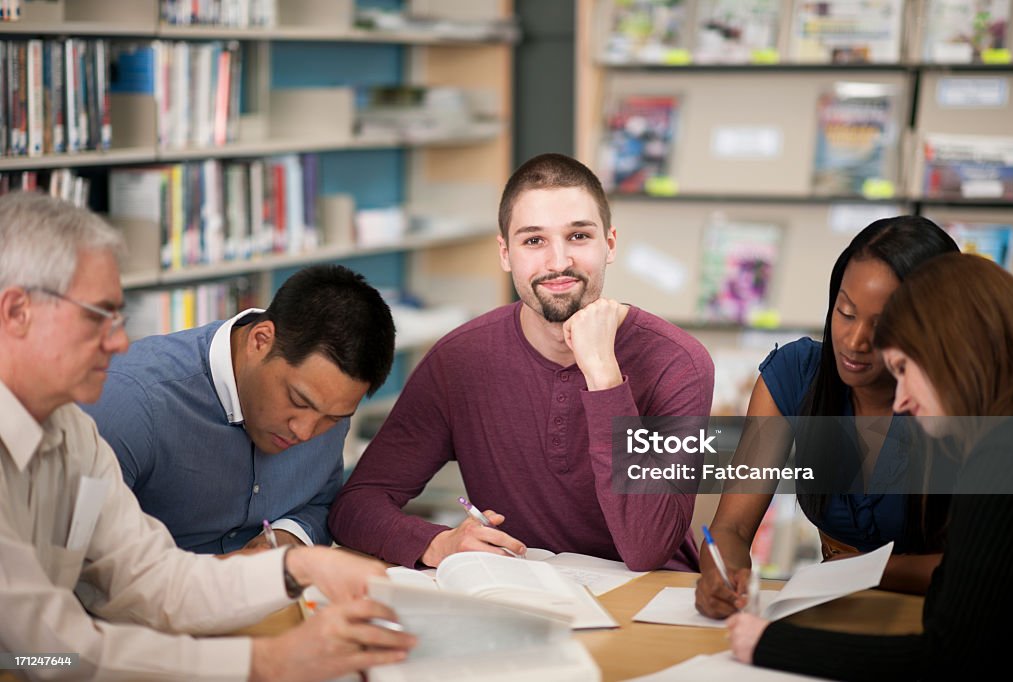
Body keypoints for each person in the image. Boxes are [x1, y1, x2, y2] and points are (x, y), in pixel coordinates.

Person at [0, 192, 414, 680]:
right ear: (16, 310)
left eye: (119, 318)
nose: (119, 342)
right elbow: (47, 654)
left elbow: (150, 576)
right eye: (98, 316)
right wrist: (265, 663)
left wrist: (298, 569)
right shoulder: (125, 405)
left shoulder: (71, 430)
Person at [330, 153, 714, 571]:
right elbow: (355, 506)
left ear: (610, 244)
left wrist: (604, 377)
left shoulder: (679, 363)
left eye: (579, 236)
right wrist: (438, 543)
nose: (558, 262)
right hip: (521, 597)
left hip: (650, 610)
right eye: (534, 241)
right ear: (505, 253)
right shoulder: (459, 360)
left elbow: (647, 548)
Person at [728, 253, 1013, 678]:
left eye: (903, 368)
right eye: (845, 313)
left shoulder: (1002, 457)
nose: (901, 399)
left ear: (953, 351)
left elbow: (948, 659)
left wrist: (768, 643)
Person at [696, 216, 960, 618]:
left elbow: (983, 569)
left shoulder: (966, 400)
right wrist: (721, 571)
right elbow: (731, 527)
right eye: (846, 312)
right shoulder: (796, 374)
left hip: (942, 621)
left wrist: (861, 570)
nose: (855, 342)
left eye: (884, 326)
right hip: (836, 612)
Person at [82, 264, 395, 553]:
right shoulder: (128, 402)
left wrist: (289, 536)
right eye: (298, 401)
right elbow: (78, 556)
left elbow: (319, 503)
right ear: (261, 340)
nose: (305, 431)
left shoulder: (326, 403)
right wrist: (233, 576)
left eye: (333, 419)